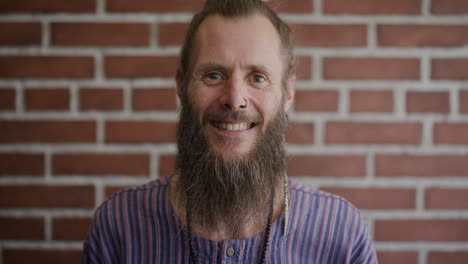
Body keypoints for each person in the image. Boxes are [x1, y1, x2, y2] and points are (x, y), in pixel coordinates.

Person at [82, 0, 378, 263]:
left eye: (258, 78)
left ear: (287, 93)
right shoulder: (118, 227)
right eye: (213, 75)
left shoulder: (343, 235)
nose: (235, 98)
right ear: (181, 85)